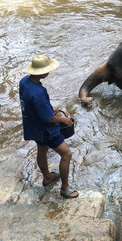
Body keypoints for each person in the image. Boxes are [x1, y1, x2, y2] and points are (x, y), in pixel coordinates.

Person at [19, 54, 79, 199]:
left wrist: (47, 108)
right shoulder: (38, 92)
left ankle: (47, 176)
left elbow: (33, 105)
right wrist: (63, 120)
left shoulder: (24, 82)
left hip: (34, 126)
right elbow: (47, 118)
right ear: (41, 72)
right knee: (67, 154)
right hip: (46, 130)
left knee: (42, 149)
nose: (49, 72)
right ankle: (65, 188)